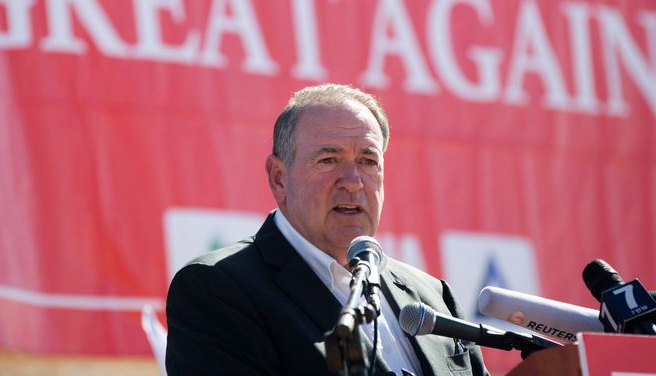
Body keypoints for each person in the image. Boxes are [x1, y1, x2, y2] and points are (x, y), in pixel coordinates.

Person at [165, 83, 488, 375]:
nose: (353, 182)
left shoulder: (432, 296)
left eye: (367, 161)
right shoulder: (218, 288)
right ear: (279, 177)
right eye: (329, 160)